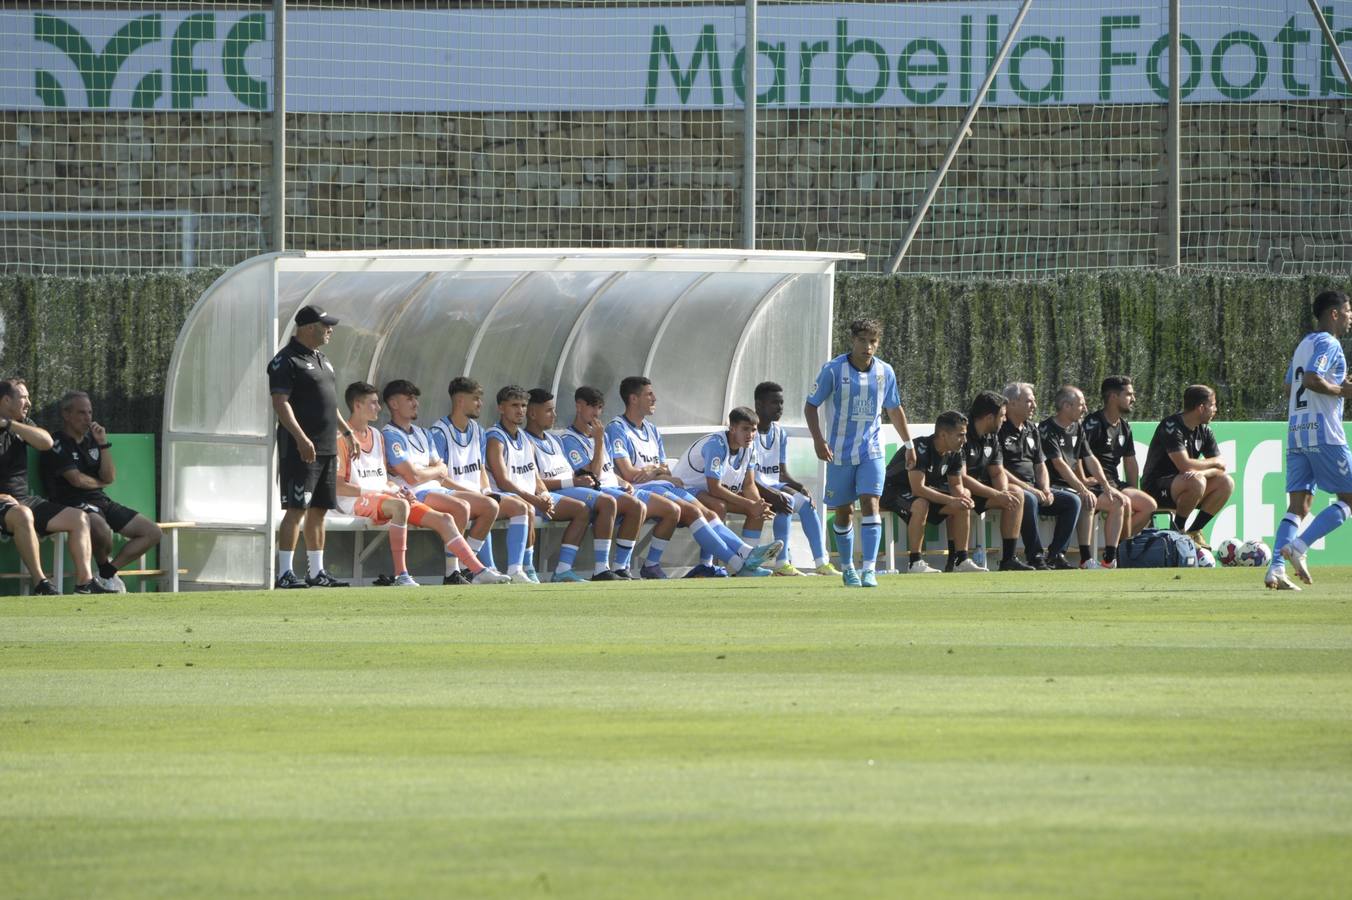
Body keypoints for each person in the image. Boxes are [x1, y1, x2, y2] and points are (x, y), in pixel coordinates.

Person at [606, 375, 782, 578]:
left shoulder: (652, 430)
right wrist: (656, 471)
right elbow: (630, 474)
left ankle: (743, 556)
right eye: (649, 394)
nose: (655, 399)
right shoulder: (617, 428)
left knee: (710, 514)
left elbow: (664, 469)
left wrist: (654, 471)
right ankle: (740, 563)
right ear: (633, 399)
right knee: (698, 511)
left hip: (665, 486)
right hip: (640, 490)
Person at [338, 382, 508, 586]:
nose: (379, 407)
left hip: (388, 497)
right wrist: (389, 488)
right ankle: (402, 575)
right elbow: (339, 487)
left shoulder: (376, 435)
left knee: (446, 518)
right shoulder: (343, 438)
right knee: (404, 506)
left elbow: (385, 478)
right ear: (357, 405)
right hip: (357, 500)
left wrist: (396, 489)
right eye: (374, 403)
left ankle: (476, 570)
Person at [804, 317, 917, 588]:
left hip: (872, 449)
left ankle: (869, 569)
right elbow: (811, 406)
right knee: (843, 511)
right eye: (863, 340)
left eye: (873, 341)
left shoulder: (885, 371)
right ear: (853, 341)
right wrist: (819, 440)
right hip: (839, 452)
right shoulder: (833, 370)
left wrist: (909, 444)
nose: (868, 346)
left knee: (870, 503)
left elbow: (894, 409)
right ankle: (847, 568)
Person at [1266, 290, 1352, 590]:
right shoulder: (1330, 342)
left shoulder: (1303, 344)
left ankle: (1276, 567)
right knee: (1349, 499)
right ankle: (1300, 546)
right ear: (1334, 313)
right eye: (1348, 310)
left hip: (1297, 434)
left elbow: (1291, 388)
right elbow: (1312, 379)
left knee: (1298, 506)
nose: (1350, 317)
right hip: (1325, 433)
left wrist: (1335, 387)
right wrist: (1343, 392)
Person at [41, 390, 162, 592]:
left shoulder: (92, 441)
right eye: (81, 413)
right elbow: (76, 480)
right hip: (70, 503)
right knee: (100, 527)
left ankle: (106, 573)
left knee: (152, 532)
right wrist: (101, 482)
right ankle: (102, 572)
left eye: (90, 412)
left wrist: (103, 444)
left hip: (100, 501)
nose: (88, 418)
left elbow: (110, 477)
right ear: (66, 414)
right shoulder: (57, 443)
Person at [559, 385, 681, 580]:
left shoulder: (603, 436)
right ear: (579, 406)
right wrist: (598, 442)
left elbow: (608, 470)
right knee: (632, 505)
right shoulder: (569, 439)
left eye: (599, 408)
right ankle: (601, 568)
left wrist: (623, 480)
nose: (596, 413)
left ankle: (620, 567)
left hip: (616, 487)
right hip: (599, 491)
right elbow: (595, 474)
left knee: (669, 510)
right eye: (592, 407)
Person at [0, 378, 107, 594]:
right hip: (6, 504)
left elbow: (46, 442)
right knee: (23, 514)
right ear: (6, 400)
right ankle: (41, 584)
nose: (29, 402)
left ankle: (84, 583)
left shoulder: (22, 424)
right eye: (23, 397)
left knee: (79, 518)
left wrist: (9, 424)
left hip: (24, 501)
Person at [268, 305, 348, 589]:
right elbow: (281, 403)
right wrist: (302, 438)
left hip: (327, 447)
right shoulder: (286, 361)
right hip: (301, 448)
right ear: (307, 327)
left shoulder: (323, 359)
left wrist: (346, 431)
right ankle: (285, 573)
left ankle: (317, 572)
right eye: (325, 325)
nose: (330, 329)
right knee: (296, 509)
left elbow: (330, 402)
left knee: (319, 510)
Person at [526, 388, 639, 582]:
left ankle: (573, 569)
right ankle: (601, 568)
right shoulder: (528, 440)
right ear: (532, 413)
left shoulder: (553, 440)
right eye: (548, 411)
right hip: (555, 492)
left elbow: (591, 472)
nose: (554, 415)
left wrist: (622, 481)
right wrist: (574, 480)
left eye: (554, 410)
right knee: (606, 502)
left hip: (572, 489)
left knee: (630, 506)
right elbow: (532, 481)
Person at [485, 385, 591, 583]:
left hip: (530, 497)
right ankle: (526, 568)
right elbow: (502, 481)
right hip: (505, 497)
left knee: (581, 510)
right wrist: (535, 499)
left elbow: (534, 475)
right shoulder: (495, 437)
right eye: (514, 405)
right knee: (528, 509)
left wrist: (543, 495)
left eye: (523, 405)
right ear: (501, 408)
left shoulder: (525, 438)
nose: (520, 410)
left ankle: (562, 570)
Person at [428, 377, 530, 581]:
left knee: (520, 508)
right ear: (460, 401)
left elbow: (481, 467)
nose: (480, 404)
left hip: (475, 495)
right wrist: (475, 494)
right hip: (451, 494)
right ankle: (473, 567)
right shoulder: (439, 432)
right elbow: (440, 477)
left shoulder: (477, 430)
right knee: (488, 505)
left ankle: (516, 570)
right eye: (475, 399)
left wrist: (484, 490)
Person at [381, 379, 479, 585]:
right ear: (394, 404)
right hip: (414, 494)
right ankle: (455, 571)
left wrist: (425, 471)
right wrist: (431, 471)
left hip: (435, 488)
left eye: (416, 398)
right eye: (409, 399)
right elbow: (412, 477)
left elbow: (441, 470)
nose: (415, 403)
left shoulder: (423, 433)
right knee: (461, 507)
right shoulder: (390, 435)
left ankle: (460, 570)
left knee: (488, 505)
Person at [669, 407, 776, 577]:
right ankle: (708, 564)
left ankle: (750, 565)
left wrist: (758, 505)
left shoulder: (750, 447)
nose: (750, 434)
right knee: (718, 506)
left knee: (756, 511)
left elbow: (749, 484)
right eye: (745, 429)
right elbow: (714, 487)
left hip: (708, 493)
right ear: (732, 428)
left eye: (753, 430)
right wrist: (749, 503)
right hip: (683, 489)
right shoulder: (716, 445)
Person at [1040, 385, 1129, 569]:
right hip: (1056, 485)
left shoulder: (1077, 427)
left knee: (1118, 501)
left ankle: (1109, 560)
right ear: (1066, 406)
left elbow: (1090, 459)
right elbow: (1059, 464)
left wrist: (1106, 486)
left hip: (1075, 486)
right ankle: (1085, 559)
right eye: (1081, 404)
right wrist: (1082, 488)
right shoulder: (1046, 429)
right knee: (1087, 500)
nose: (1085, 409)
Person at [752, 381, 835, 577]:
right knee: (787, 501)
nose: (779, 407)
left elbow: (781, 473)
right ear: (759, 405)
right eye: (774, 403)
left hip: (774, 485)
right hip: (752, 487)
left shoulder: (780, 433)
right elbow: (746, 477)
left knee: (806, 503)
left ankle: (821, 563)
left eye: (781, 403)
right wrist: (778, 493)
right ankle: (782, 563)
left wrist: (799, 486)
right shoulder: (750, 432)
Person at [1140, 384, 1234, 550]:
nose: (1215, 409)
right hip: (1156, 487)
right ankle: (1177, 531)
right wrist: (1211, 465)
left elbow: (1222, 466)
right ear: (1201, 407)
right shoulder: (1171, 426)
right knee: (1196, 481)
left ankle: (1194, 531)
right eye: (1212, 405)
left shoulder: (1204, 430)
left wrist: (1202, 472)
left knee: (1226, 482)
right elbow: (1184, 465)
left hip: (1187, 485)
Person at [998, 383, 1080, 570]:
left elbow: (1040, 464)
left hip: (1034, 487)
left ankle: (1056, 555)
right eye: (1028, 401)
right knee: (1029, 499)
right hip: (1014, 488)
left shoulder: (1031, 428)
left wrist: (1044, 487)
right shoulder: (1000, 429)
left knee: (1073, 501)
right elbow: (999, 469)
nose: (1034, 405)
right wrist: (1032, 489)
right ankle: (1035, 556)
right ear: (1011, 404)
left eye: (1034, 400)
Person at [890, 411, 982, 575]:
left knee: (962, 504)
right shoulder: (920, 448)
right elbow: (917, 488)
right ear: (943, 435)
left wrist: (962, 498)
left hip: (924, 491)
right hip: (893, 490)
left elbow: (956, 485)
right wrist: (950, 500)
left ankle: (960, 560)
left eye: (965, 435)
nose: (965, 440)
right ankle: (915, 563)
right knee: (921, 504)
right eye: (960, 435)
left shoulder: (956, 452)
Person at [962, 391, 1033, 572]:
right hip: (960, 490)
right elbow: (961, 478)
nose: (1004, 420)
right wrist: (997, 494)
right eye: (1002, 416)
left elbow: (997, 471)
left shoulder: (992, 436)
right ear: (989, 417)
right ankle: (958, 559)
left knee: (1016, 493)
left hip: (984, 491)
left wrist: (1003, 493)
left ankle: (1009, 559)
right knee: (965, 494)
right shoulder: (962, 433)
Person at [1083, 376, 1157, 540]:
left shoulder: (1124, 427)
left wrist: (1133, 489)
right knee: (1124, 502)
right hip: (1096, 485)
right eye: (1129, 395)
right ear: (1113, 397)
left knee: (1149, 505)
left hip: (1114, 483)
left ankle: (1121, 547)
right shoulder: (1093, 424)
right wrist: (1082, 480)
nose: (1133, 399)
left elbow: (1130, 463)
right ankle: (1116, 553)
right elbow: (1078, 455)